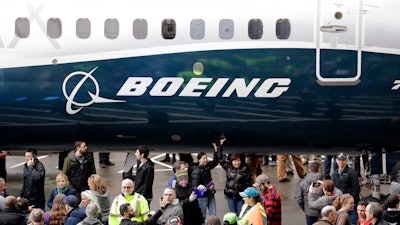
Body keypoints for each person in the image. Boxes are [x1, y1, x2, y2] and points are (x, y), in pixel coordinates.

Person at [190, 138, 223, 220]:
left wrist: (215, 148)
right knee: (202, 216)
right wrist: (208, 189)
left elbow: (215, 161)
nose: (206, 160)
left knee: (213, 215)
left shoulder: (207, 167)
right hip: (203, 197)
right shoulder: (196, 171)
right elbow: (195, 189)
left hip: (210, 194)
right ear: (199, 160)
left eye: (206, 158)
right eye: (204, 158)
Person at [220, 151, 251, 216]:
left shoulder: (245, 169)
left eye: (238, 161)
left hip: (240, 197)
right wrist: (219, 147)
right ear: (231, 161)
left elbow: (248, 183)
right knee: (232, 215)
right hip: (230, 196)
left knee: (240, 214)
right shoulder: (228, 168)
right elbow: (221, 159)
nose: (237, 163)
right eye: (235, 161)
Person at [333, 152, 360, 225]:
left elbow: (356, 188)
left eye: (343, 160)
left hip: (350, 205)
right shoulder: (334, 173)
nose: (341, 162)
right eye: (339, 160)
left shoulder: (352, 172)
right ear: (336, 160)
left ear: (346, 161)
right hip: (340, 204)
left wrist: (351, 202)